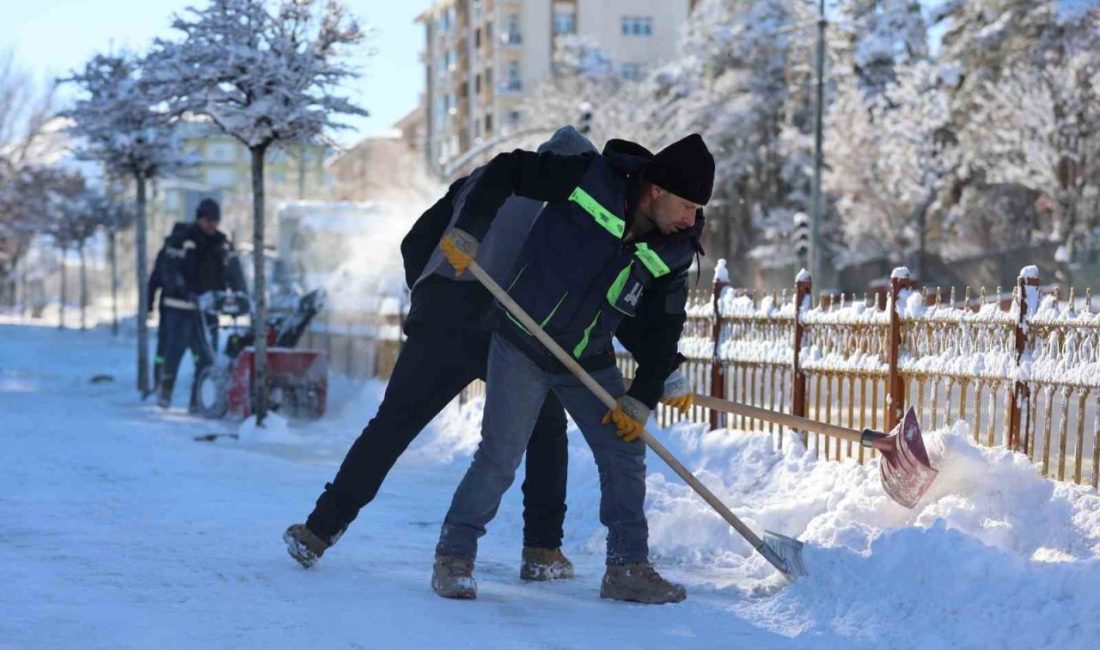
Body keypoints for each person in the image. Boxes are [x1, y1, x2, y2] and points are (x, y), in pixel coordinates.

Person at [284, 127, 694, 581]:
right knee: (545, 433)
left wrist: (428, 291)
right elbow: (607, 299)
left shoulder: (480, 182)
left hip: (448, 316)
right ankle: (541, 550)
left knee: (393, 424)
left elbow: (416, 241)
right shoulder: (578, 208)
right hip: (515, 326)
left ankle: (319, 530)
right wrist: (665, 365)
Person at [431, 133, 714, 604]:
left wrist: (641, 396)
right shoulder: (589, 179)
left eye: (698, 210)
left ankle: (626, 567)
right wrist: (469, 229)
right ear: (657, 190)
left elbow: (664, 327)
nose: (692, 219)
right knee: (500, 457)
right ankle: (454, 557)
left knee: (624, 452)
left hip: (587, 356)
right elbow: (507, 169)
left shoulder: (675, 249)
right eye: (686, 205)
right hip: (522, 340)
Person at [147, 198, 244, 410]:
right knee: (174, 353)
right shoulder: (181, 239)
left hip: (208, 310)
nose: (212, 225)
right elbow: (166, 272)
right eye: (208, 220)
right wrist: (186, 293)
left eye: (215, 221)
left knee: (206, 358)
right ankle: (164, 394)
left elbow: (233, 274)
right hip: (179, 309)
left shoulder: (221, 244)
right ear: (199, 219)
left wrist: (240, 296)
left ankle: (198, 401)